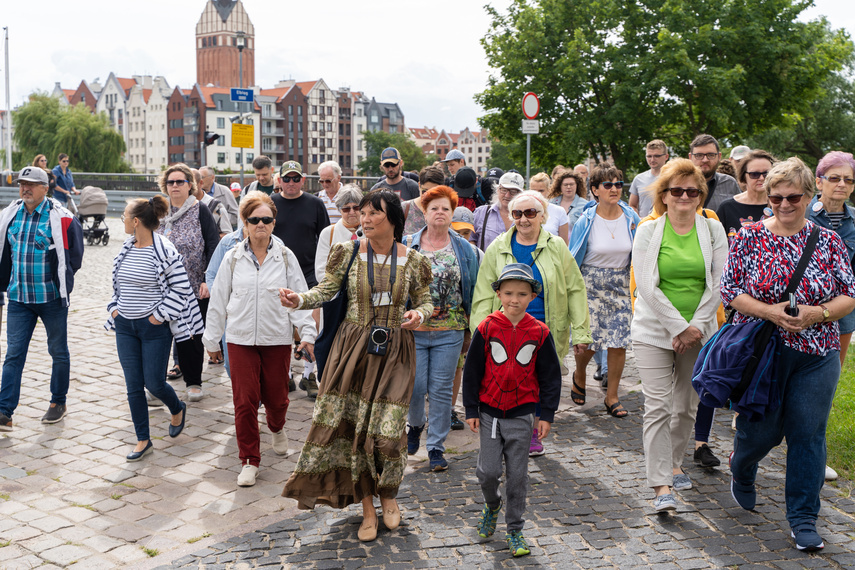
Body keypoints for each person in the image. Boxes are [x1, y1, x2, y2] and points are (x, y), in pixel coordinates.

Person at [280, 189, 433, 543]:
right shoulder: (345, 252)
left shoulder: (413, 260)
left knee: (389, 434)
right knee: (353, 432)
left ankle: (389, 494)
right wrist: (299, 299)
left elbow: (426, 300)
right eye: (361, 212)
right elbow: (326, 290)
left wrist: (418, 313)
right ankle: (367, 505)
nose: (363, 218)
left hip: (395, 350)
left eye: (372, 213)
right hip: (351, 350)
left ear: (392, 219)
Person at [722, 157, 855, 552]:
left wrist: (820, 313)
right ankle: (742, 466)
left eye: (792, 197)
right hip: (764, 355)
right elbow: (731, 292)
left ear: (808, 195)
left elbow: (849, 294)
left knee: (808, 434)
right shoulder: (749, 238)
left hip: (817, 353)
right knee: (761, 433)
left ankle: (802, 518)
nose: (783, 204)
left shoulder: (828, 241)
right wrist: (770, 311)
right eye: (775, 197)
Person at [630, 159, 727, 511]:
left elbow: (718, 284)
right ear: (664, 195)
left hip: (698, 332)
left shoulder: (713, 230)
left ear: (700, 195)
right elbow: (646, 286)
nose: (684, 196)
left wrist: (694, 328)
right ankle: (661, 486)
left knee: (687, 405)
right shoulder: (648, 230)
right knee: (657, 405)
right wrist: (677, 327)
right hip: (654, 331)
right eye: (676, 190)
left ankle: (674, 461)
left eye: (692, 190)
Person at [204, 192, 317, 487]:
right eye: (255, 220)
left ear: (274, 223)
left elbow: (299, 299)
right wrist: (212, 340)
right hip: (239, 339)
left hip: (276, 339)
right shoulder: (232, 258)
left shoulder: (285, 257)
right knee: (244, 402)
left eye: (267, 220)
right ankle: (249, 460)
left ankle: (277, 428)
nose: (261, 225)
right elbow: (218, 301)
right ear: (245, 222)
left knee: (278, 399)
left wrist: (307, 335)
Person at [472, 189, 592, 454]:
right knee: (508, 375)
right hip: (505, 327)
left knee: (539, 379)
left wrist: (582, 332)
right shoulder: (498, 247)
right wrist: (479, 331)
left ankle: (534, 431)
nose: (524, 219)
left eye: (530, 213)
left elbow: (574, 288)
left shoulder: (557, 246)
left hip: (544, 327)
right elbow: (482, 292)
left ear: (542, 216)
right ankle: (505, 429)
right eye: (518, 213)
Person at [463, 263, 562, 558]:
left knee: (518, 477)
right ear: (498, 294)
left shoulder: (539, 332)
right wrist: (471, 408)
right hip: (490, 413)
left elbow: (550, 376)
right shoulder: (487, 327)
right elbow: (472, 371)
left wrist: (547, 414)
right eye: (508, 293)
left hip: (522, 415)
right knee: (488, 472)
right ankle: (492, 505)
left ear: (532, 296)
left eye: (522, 294)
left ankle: (515, 529)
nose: (514, 300)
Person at [107, 195, 197, 461]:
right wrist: (114, 308)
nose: (122, 219)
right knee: (133, 385)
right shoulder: (126, 247)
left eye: (125, 215)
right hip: (125, 326)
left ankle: (177, 406)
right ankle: (142, 440)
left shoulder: (164, 251)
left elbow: (182, 288)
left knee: (154, 383)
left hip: (153, 328)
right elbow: (117, 283)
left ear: (136, 221)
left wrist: (158, 316)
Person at [0, 166, 83, 430]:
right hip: (19, 299)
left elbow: (75, 258)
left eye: (31, 184)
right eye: (22, 184)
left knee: (58, 352)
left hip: (51, 299)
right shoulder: (10, 215)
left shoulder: (63, 218)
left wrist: (62, 281)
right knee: (13, 354)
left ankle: (58, 402)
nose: (25, 188)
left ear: (45, 189)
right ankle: (4, 412)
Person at [403, 186, 479, 471]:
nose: (439, 212)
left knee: (441, 390)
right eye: (434, 207)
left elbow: (473, 288)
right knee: (415, 385)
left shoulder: (466, 250)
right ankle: (415, 425)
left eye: (445, 208)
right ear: (425, 211)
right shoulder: (409, 243)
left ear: (451, 213)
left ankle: (436, 446)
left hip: (451, 330)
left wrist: (470, 328)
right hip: (415, 330)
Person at [568, 163, 641, 418]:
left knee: (619, 343)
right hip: (590, 282)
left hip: (621, 283)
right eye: (608, 185)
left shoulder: (632, 218)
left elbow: (639, 252)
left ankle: (612, 396)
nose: (614, 189)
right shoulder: (586, 219)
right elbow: (573, 256)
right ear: (595, 190)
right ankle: (580, 373)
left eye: (618, 184)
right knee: (589, 340)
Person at [807, 150, 855, 483]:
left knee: (825, 386)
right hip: (802, 313)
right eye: (835, 178)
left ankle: (815, 452)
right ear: (819, 180)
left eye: (848, 179)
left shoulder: (854, 222)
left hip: (841, 316)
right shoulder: (801, 213)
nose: (842, 184)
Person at [156, 164, 220, 401]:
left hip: (193, 286)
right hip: (161, 289)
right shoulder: (159, 210)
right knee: (159, 337)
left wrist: (207, 278)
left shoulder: (200, 209)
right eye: (171, 182)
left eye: (180, 182)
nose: (175, 186)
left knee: (191, 336)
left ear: (190, 185)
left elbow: (213, 244)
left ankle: (193, 382)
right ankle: (155, 382)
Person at [271, 161, 330, 288]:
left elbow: (325, 238)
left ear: (303, 180)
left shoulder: (316, 204)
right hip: (277, 268)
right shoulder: (270, 204)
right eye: (286, 179)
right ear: (279, 180)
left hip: (309, 271)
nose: (291, 183)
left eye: (296, 178)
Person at [716, 150, 776, 241]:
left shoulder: (781, 205)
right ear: (744, 176)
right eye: (754, 174)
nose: (761, 178)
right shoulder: (727, 208)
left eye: (766, 174)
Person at [315, 185, 364, 282]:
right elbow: (320, 272)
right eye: (346, 209)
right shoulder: (328, 233)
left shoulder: (371, 231)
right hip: (337, 293)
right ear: (339, 209)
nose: (352, 212)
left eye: (356, 207)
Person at [471, 172, 523, 252]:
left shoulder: (526, 217)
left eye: (513, 192)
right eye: (504, 190)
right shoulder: (481, 213)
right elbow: (470, 239)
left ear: (521, 194)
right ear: (497, 190)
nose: (507, 195)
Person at [688, 134, 740, 211]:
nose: (705, 160)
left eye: (711, 155)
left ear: (719, 156)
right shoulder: (679, 184)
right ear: (690, 157)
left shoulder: (730, 183)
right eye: (699, 155)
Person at [629, 140, 670, 217]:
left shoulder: (673, 178)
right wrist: (639, 220)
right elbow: (632, 205)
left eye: (657, 156)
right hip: (644, 225)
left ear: (666, 156)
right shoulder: (638, 179)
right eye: (649, 156)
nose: (652, 159)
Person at [402, 166, 444, 236]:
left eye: (434, 193)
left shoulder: (446, 212)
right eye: (425, 192)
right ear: (419, 185)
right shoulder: (404, 209)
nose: (429, 197)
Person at [529, 172, 569, 244]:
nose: (537, 194)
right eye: (534, 190)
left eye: (541, 191)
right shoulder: (523, 211)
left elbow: (564, 245)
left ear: (548, 190)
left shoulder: (559, 211)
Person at [193, 169, 232, 239]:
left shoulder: (216, 206)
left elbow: (228, 236)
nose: (188, 187)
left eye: (192, 184)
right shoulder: (175, 205)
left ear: (201, 183)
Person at [317, 160, 343, 225]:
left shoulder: (349, 196)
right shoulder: (317, 197)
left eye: (328, 181)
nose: (325, 184)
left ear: (338, 178)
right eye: (321, 181)